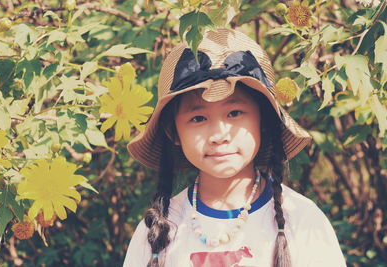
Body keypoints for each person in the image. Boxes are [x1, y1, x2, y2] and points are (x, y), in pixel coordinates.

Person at [123, 28, 346, 267]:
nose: (219, 135)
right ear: (173, 132)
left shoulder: (302, 220)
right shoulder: (158, 230)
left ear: (263, 120)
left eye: (235, 113)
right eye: (198, 118)